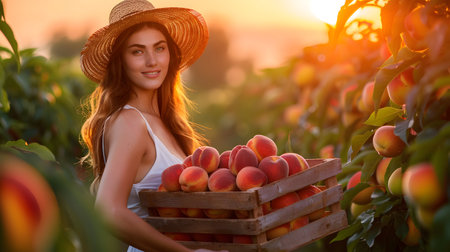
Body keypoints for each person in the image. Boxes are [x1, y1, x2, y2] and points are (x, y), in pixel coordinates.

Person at [79, 1, 227, 251]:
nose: (151, 60)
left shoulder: (166, 123)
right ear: (121, 62)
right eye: (137, 51)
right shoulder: (130, 122)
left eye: (159, 48)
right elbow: (108, 211)